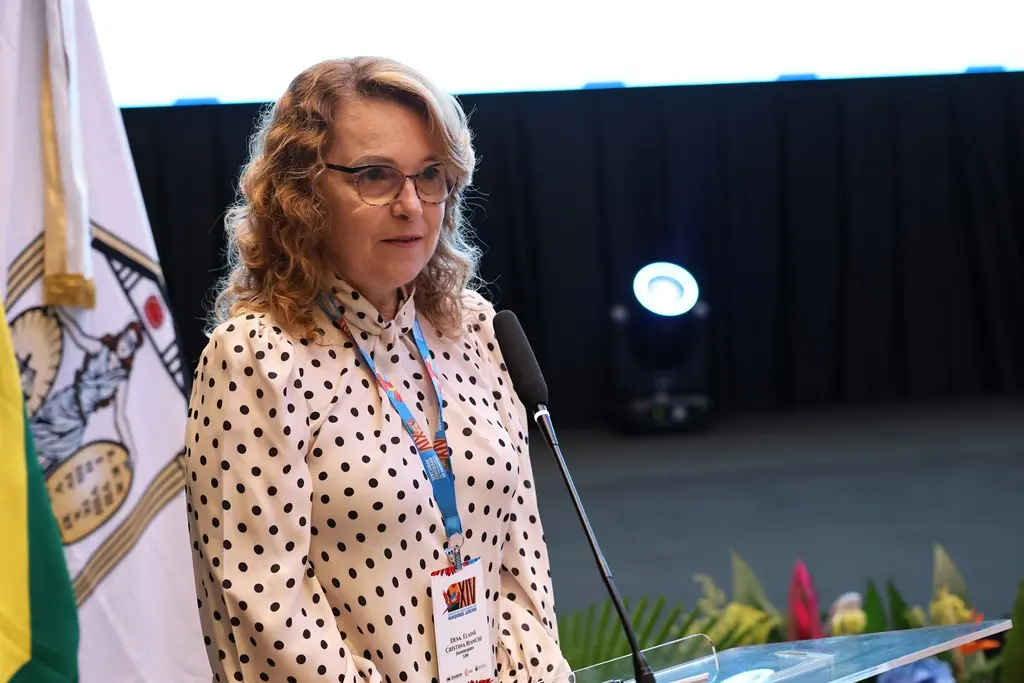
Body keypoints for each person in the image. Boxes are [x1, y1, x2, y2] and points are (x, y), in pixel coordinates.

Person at [183, 56, 572, 683]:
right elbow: (265, 615)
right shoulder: (256, 358)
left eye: (430, 176)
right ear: (302, 194)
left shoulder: (473, 329)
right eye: (375, 176)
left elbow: (519, 560)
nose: (411, 205)